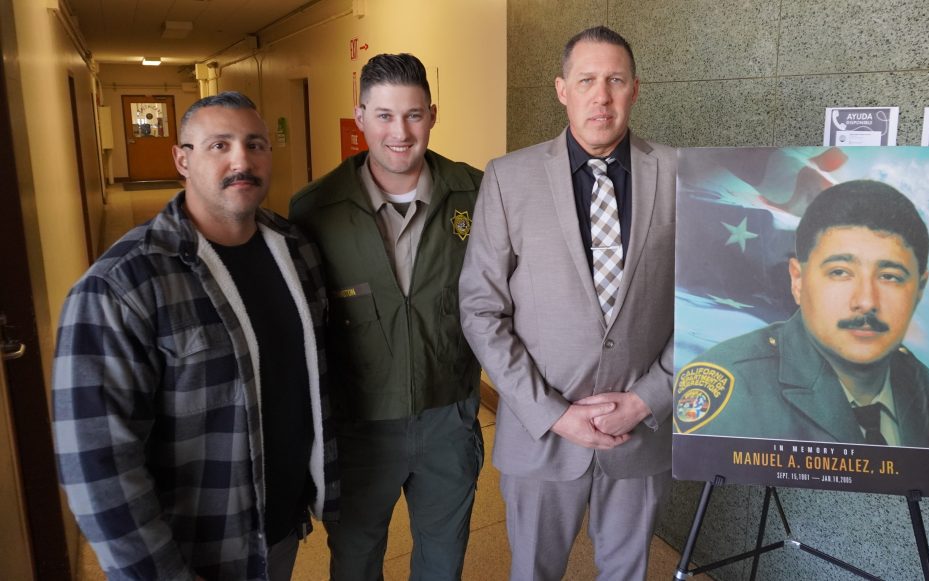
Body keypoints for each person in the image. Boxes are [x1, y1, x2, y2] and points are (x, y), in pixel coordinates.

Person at [51, 91, 340, 580]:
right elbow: (98, 467)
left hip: (280, 529)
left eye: (255, 144)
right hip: (194, 551)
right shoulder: (121, 286)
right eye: (219, 145)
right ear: (182, 159)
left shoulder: (295, 249)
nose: (241, 160)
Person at [459, 26, 675, 580]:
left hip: (639, 431)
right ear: (562, 89)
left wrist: (650, 397)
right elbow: (481, 310)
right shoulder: (509, 178)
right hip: (541, 434)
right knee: (533, 571)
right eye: (586, 81)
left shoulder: (679, 175)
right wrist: (554, 413)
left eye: (615, 80)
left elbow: (706, 305)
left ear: (635, 89)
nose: (601, 96)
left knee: (626, 573)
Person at [289, 53, 483, 580]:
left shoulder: (479, 194)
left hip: (449, 416)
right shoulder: (313, 209)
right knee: (355, 560)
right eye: (383, 115)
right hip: (359, 426)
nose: (400, 131)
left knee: (443, 559)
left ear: (433, 114)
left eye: (413, 114)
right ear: (360, 117)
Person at [677, 180, 929, 449]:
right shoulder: (735, 388)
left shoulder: (920, 380)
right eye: (840, 272)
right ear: (797, 280)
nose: (866, 302)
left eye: (890, 277)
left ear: (920, 289)